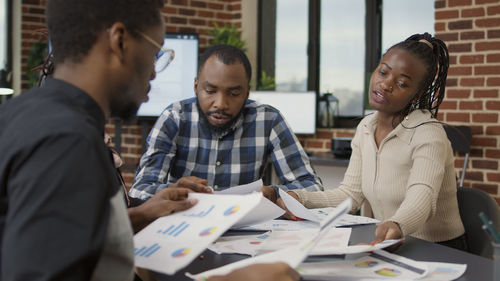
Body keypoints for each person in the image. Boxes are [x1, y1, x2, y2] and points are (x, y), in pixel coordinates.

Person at [0, 0, 299, 280]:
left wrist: (144, 213)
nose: (154, 72)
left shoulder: (21, 115)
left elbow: (68, 239)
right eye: (155, 53)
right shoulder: (66, 143)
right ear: (119, 42)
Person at [279, 33, 467, 251]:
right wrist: (298, 198)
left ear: (417, 95)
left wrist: (397, 224)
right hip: (389, 240)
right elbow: (350, 194)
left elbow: (422, 197)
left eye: (402, 83)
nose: (386, 84)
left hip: (439, 248)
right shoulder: (366, 127)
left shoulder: (428, 133)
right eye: (383, 72)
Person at [129, 44, 323, 203]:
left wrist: (274, 193)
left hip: (244, 233)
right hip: (184, 226)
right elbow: (139, 190)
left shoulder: (268, 120)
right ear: (196, 86)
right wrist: (173, 191)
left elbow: (312, 187)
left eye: (234, 94)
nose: (220, 104)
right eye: (210, 91)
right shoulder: (175, 117)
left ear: (247, 92)